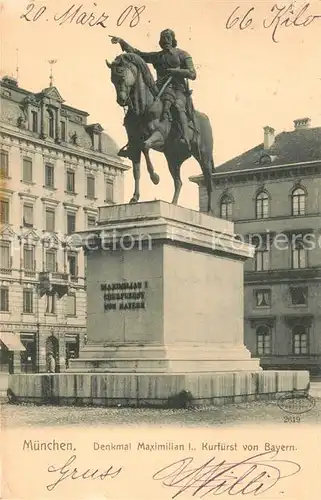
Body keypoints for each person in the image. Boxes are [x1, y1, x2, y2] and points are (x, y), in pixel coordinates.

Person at [110, 29, 197, 152]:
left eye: (168, 37)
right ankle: (133, 142)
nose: (165, 40)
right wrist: (122, 42)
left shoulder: (183, 54)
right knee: (137, 107)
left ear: (173, 39)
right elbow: (137, 54)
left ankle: (185, 138)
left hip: (178, 89)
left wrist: (175, 71)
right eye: (163, 38)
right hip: (160, 89)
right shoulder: (158, 56)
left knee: (177, 106)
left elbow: (193, 74)